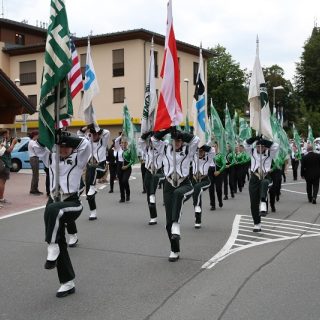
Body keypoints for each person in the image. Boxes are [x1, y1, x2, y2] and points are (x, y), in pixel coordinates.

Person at [34, 131, 91, 297]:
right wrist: (49, 136)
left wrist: (65, 138)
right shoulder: (50, 158)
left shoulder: (78, 159)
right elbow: (35, 146)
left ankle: (51, 246)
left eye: (67, 147)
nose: (64, 150)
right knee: (60, 242)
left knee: (52, 209)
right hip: (54, 200)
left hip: (71, 203)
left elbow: (85, 144)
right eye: (61, 146)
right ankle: (67, 282)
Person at [152, 128, 199, 262]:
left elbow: (196, 140)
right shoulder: (165, 149)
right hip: (168, 185)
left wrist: (182, 134)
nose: (177, 142)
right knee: (168, 223)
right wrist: (167, 130)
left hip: (185, 184)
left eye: (179, 140)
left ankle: (176, 224)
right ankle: (174, 250)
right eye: (175, 140)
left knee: (179, 194)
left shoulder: (188, 150)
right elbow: (154, 139)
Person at [244, 135, 279, 232]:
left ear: (265, 147)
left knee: (264, 183)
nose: (260, 148)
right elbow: (245, 144)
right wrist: (255, 138)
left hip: (266, 176)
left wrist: (264, 140)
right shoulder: (252, 152)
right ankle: (257, 223)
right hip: (254, 178)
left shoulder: (269, 153)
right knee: (253, 203)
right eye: (258, 146)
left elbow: (275, 146)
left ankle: (263, 202)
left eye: (262, 146)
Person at [78, 124, 110, 220]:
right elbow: (79, 133)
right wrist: (87, 127)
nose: (94, 136)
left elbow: (107, 132)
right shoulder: (87, 142)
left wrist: (97, 127)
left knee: (93, 168)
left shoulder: (103, 142)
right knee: (89, 193)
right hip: (90, 170)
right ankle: (93, 212)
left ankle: (92, 187)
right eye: (92, 134)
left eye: (96, 134)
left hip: (101, 168)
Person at [139, 131, 165, 225]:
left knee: (152, 193)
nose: (150, 141)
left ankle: (153, 196)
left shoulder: (162, 146)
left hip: (158, 172)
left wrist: (157, 134)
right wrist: (149, 131)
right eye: (150, 139)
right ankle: (153, 217)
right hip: (148, 171)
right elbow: (141, 140)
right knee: (148, 194)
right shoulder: (147, 148)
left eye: (152, 139)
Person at [191, 144, 214, 228]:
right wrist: (196, 145)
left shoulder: (209, 158)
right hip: (194, 179)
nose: (200, 152)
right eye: (199, 151)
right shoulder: (193, 156)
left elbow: (212, 150)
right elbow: (189, 147)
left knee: (197, 188)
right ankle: (198, 220)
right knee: (196, 197)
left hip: (204, 180)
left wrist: (202, 145)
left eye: (202, 151)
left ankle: (197, 206)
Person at [114, 133, 135, 203]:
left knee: (125, 181)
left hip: (127, 166)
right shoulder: (119, 148)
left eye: (125, 142)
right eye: (122, 142)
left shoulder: (129, 150)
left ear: (127, 143)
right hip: (119, 166)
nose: (123, 144)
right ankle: (122, 197)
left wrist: (126, 166)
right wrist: (121, 136)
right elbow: (116, 141)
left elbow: (132, 160)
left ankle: (128, 193)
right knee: (120, 182)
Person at [0, 129, 19, 205]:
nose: (8, 135)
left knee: (2, 181)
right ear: (4, 134)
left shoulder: (3, 140)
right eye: (8, 133)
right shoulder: (2, 141)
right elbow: (8, 150)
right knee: (2, 181)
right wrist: (13, 143)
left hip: (3, 163)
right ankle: (1, 198)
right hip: (4, 164)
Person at [208, 142, 226, 210]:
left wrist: (219, 171)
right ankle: (213, 205)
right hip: (210, 171)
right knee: (211, 189)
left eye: (215, 146)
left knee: (218, 189)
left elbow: (224, 164)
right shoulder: (208, 155)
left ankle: (220, 200)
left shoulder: (220, 155)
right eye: (212, 146)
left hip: (218, 171)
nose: (213, 147)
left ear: (217, 147)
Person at [28, 130, 43, 195]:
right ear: (35, 135)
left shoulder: (32, 142)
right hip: (34, 158)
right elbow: (38, 149)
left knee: (35, 175)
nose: (39, 136)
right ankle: (33, 190)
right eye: (38, 135)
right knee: (35, 175)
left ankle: (35, 189)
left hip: (34, 158)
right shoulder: (32, 142)